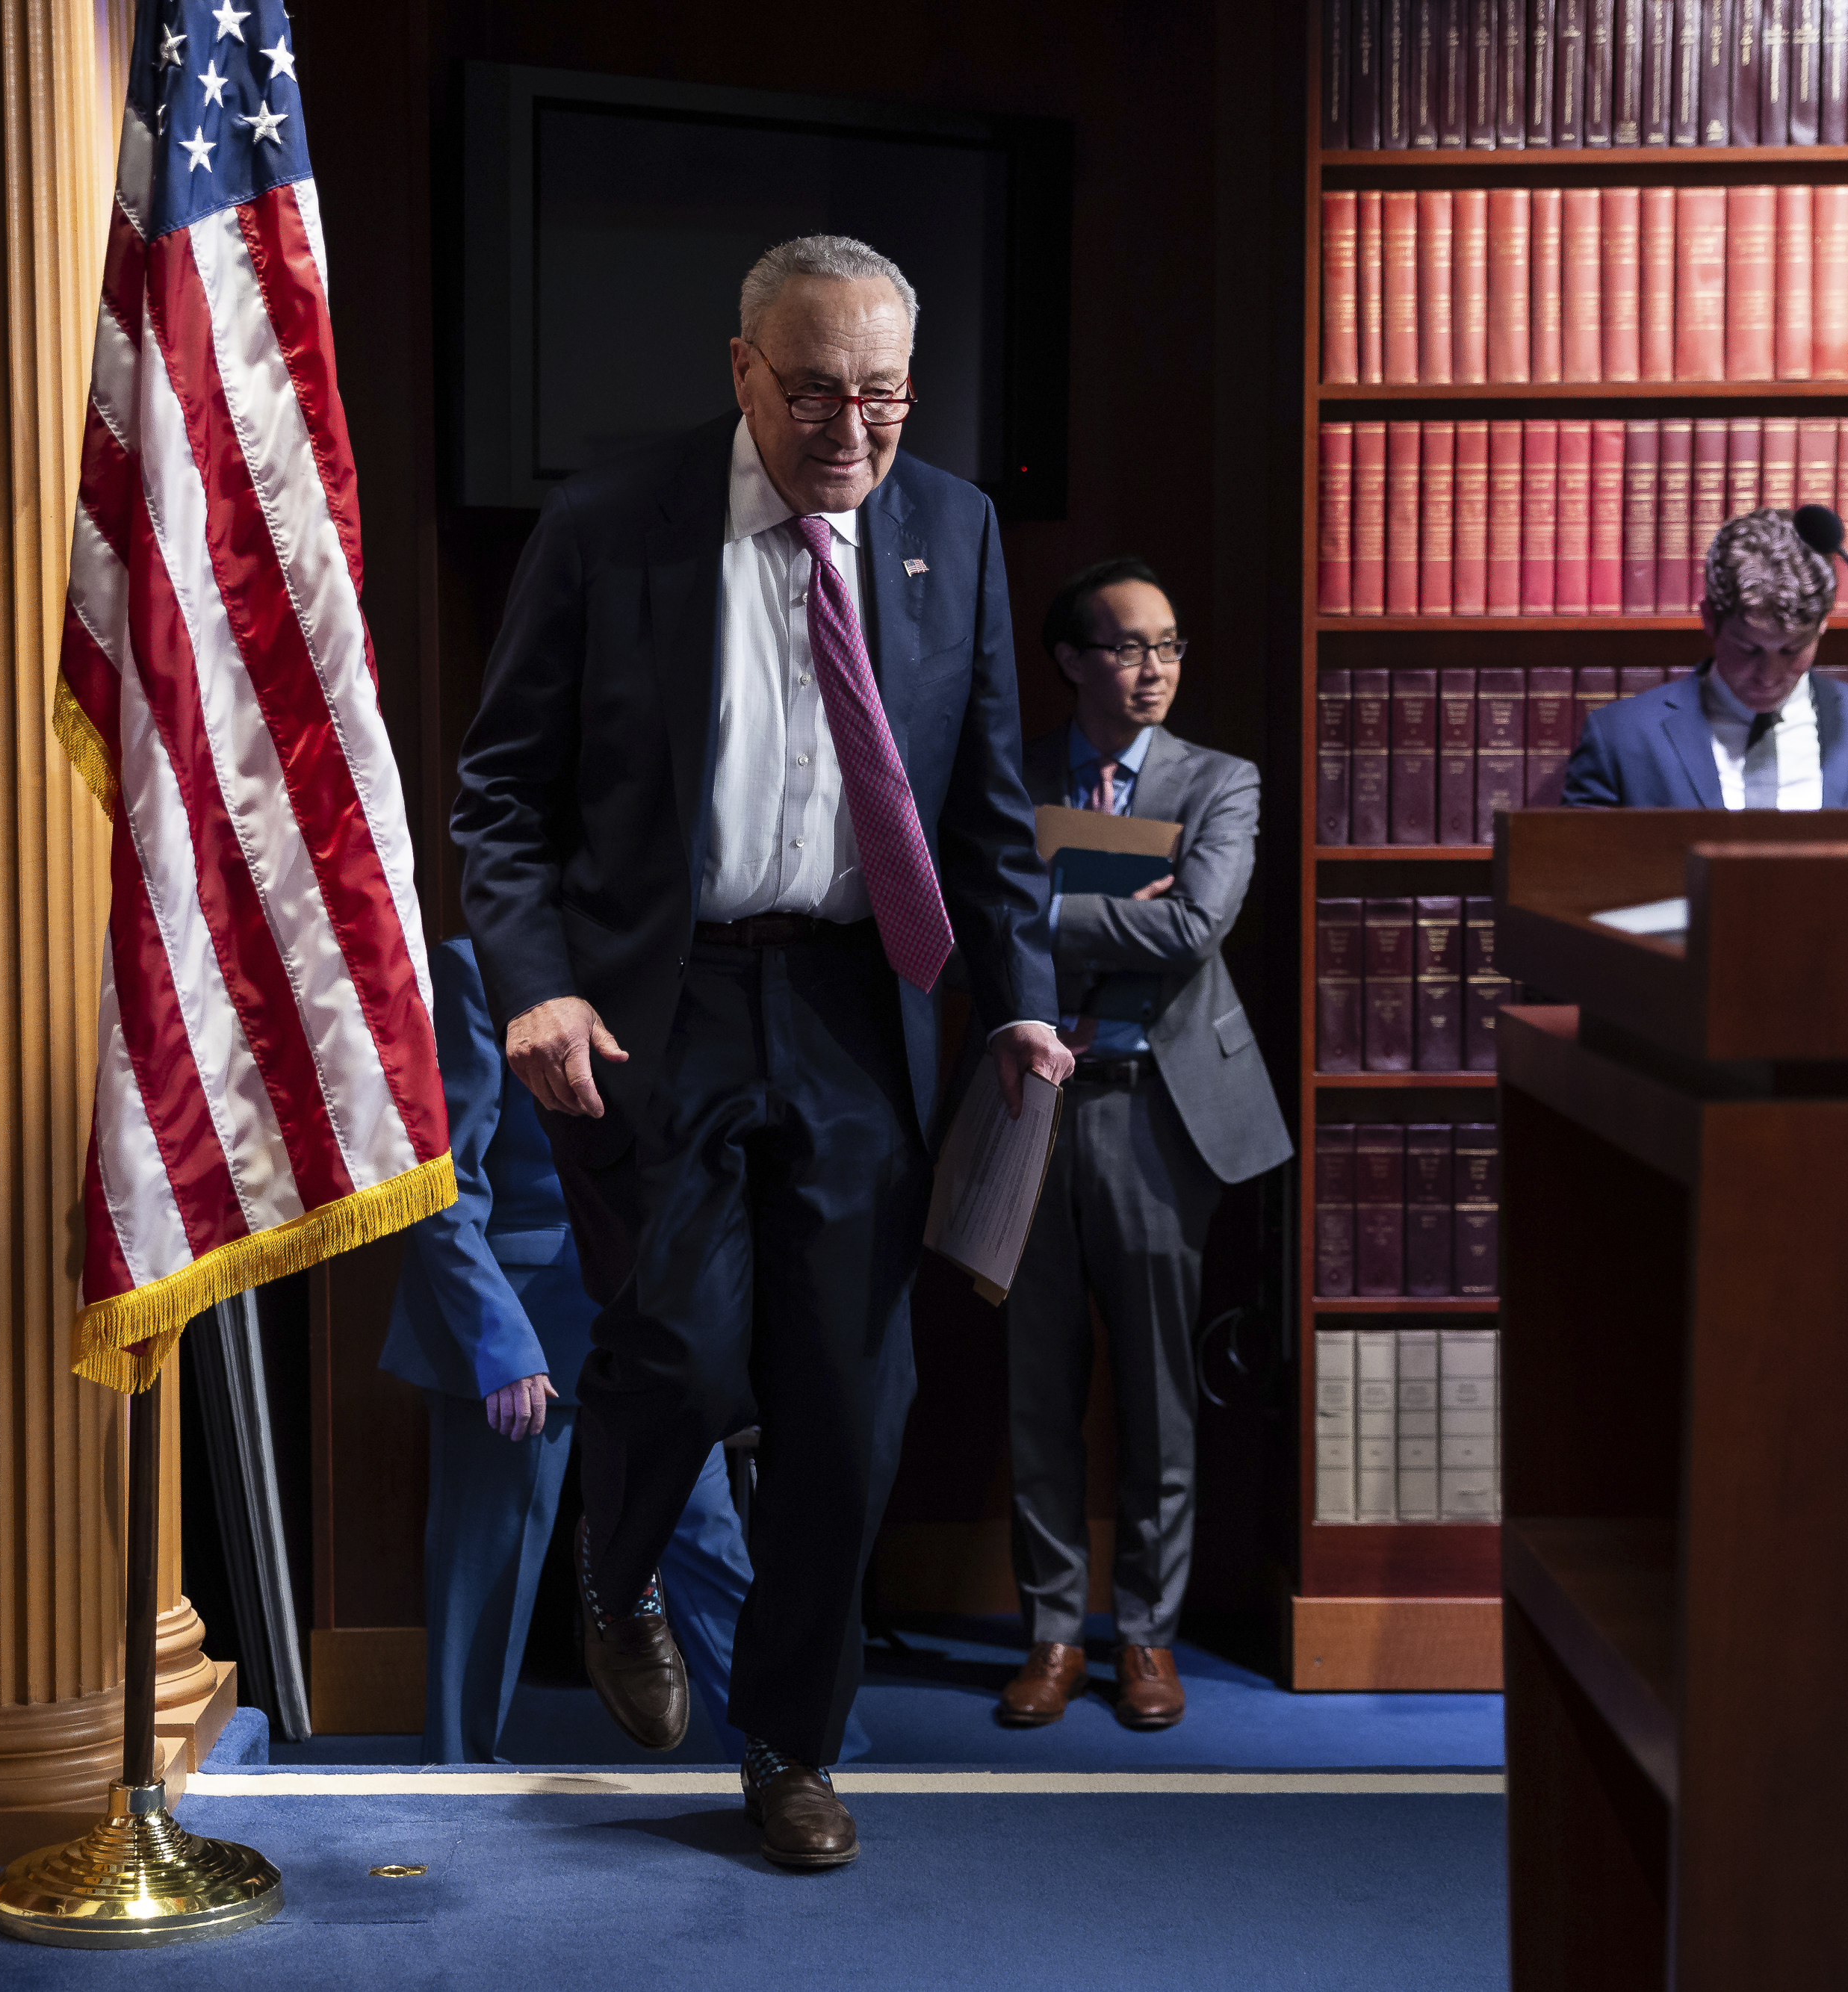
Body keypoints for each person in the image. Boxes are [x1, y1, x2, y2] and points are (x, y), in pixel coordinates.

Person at [451, 235, 1065, 1870]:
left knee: (850, 1406)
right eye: (814, 395)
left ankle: (789, 1745)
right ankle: (620, 1556)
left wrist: (1019, 997)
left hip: (864, 1005)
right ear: (741, 370)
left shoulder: (951, 529)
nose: (852, 433)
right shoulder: (612, 521)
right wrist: (534, 984)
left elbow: (984, 804)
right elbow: (499, 791)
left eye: (884, 397)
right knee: (680, 1349)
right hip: (667, 998)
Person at [379, 935, 867, 1767]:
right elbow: (439, 1176)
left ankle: (806, 1763)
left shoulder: (686, 955)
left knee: (713, 1553)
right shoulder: (476, 968)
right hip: (520, 1327)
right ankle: (455, 1785)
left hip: (659, 1318)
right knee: (486, 1582)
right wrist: (497, 1338)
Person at [997, 559, 1291, 1733]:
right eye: (1127, 646)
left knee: (1162, 1390)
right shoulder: (1008, 774)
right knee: (1038, 1383)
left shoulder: (1220, 780)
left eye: (1168, 644)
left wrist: (1047, 907)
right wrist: (1113, 909)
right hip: (1030, 1106)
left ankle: (1148, 1632)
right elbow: (974, 919)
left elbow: (1195, 925)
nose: (1155, 667)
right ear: (1072, 660)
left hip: (1157, 1109)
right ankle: (1053, 1630)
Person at [1563, 508, 1848, 810]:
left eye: (1791, 651)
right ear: (1709, 619)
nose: (1768, 676)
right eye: (1748, 650)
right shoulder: (1619, 739)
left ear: (1823, 626)